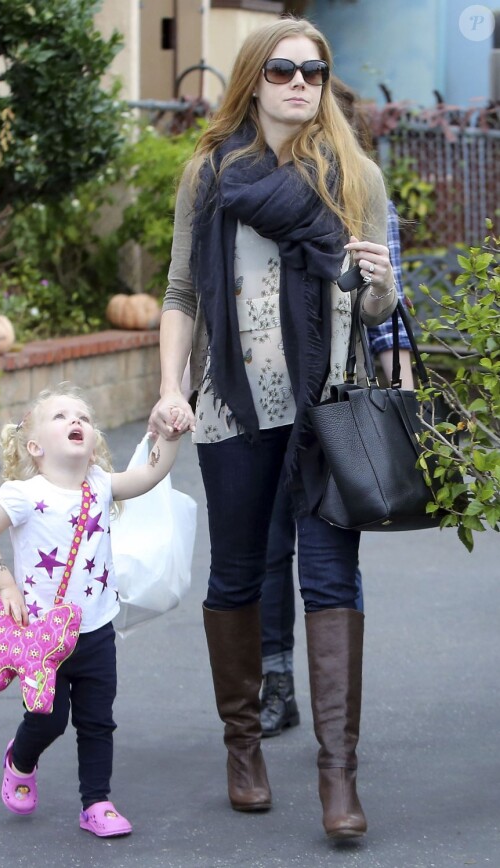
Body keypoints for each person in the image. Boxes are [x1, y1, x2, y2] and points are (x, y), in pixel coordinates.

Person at [149, 16, 399, 839]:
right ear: (254, 79)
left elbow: (373, 313)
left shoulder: (353, 174)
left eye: (315, 71)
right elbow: (183, 290)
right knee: (239, 574)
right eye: (285, 70)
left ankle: (338, 779)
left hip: (327, 410)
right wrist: (169, 387)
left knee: (331, 581)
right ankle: (244, 749)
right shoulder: (211, 175)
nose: (301, 83)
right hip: (233, 408)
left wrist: (380, 287)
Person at [259, 78, 415, 738]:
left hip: (333, 401)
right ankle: (276, 681)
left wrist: (405, 405)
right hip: (264, 400)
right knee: (267, 550)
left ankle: (330, 715)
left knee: (329, 555)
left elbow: (384, 317)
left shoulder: (365, 196)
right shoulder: (256, 190)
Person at [0, 383, 183, 838]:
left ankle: (96, 802)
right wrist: (7, 585)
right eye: (61, 417)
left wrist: (171, 435)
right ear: (35, 447)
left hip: (96, 632)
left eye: (82, 416)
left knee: (97, 721)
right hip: (42, 639)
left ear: (92, 441)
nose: (76, 422)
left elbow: (148, 475)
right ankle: (20, 759)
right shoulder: (24, 494)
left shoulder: (101, 485)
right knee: (48, 718)